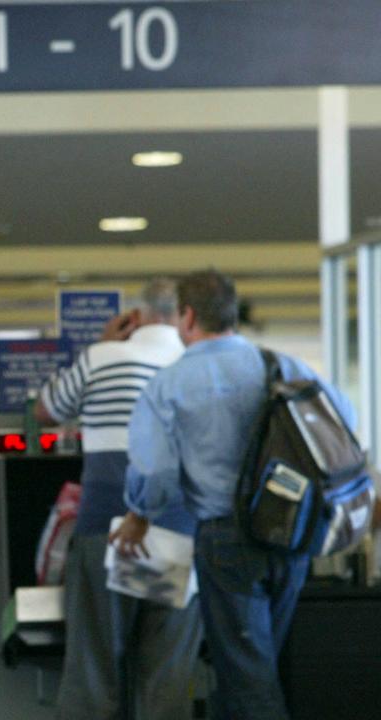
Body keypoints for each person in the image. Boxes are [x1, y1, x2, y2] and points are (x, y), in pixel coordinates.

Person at [111, 269, 355, 720]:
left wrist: (139, 515)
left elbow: (157, 472)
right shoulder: (283, 366)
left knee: (247, 676)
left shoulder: (168, 385)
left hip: (226, 538)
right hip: (292, 533)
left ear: (186, 316)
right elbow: (345, 424)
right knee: (253, 666)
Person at [35, 280, 203, 720]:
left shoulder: (102, 357)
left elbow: (45, 411)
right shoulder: (192, 365)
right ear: (185, 316)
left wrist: (103, 344)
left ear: (137, 315)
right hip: (175, 532)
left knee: (95, 672)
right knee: (164, 677)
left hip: (107, 530)